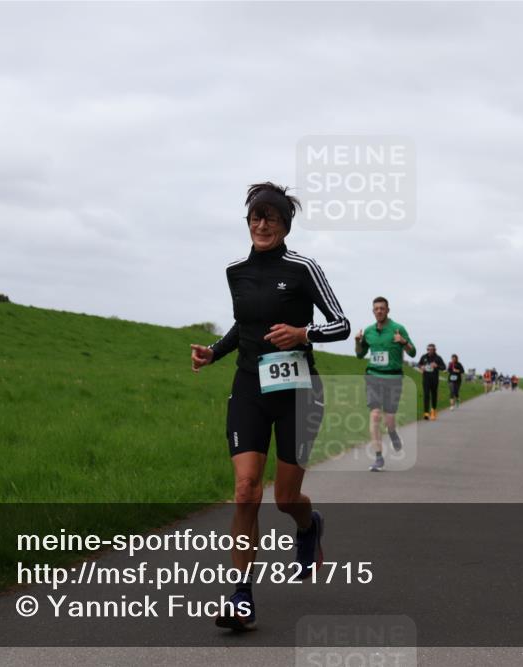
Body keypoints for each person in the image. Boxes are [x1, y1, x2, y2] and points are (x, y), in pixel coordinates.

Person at [190, 182, 350, 631]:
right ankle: (241, 597)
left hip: (298, 392)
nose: (262, 225)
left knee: (284, 498)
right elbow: (245, 326)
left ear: (285, 225)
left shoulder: (304, 269)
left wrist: (304, 335)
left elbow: (340, 324)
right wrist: (213, 352)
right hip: (248, 388)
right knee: (245, 490)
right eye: (255, 218)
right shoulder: (235, 271)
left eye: (271, 218)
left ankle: (308, 524)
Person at [354, 297, 416, 472]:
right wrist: (358, 341)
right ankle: (379, 457)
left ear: (388, 310)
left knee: (389, 419)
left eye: (382, 308)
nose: (379, 311)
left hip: (393, 378)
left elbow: (413, 352)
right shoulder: (368, 331)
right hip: (373, 376)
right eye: (376, 309)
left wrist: (403, 342)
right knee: (374, 415)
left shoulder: (398, 329)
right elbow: (360, 355)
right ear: (373, 311)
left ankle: (393, 432)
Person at [416, 343, 446, 420]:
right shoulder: (424, 357)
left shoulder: (438, 358)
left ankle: (433, 411)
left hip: (434, 379)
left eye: (431, 349)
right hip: (426, 379)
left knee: (433, 395)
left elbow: (444, 367)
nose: (429, 351)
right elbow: (419, 364)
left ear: (434, 350)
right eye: (428, 349)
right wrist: (421, 367)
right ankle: (426, 413)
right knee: (426, 395)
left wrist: (437, 366)